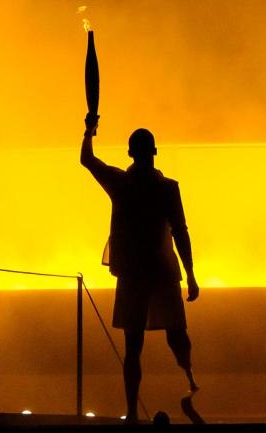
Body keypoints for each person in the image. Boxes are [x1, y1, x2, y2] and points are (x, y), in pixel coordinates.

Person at [81, 118, 199, 423]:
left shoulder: (121, 184)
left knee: (133, 345)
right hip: (162, 271)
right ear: (154, 152)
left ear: (131, 153)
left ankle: (133, 410)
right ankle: (190, 379)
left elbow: (87, 159)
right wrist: (192, 274)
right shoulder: (167, 189)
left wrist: (89, 131)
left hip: (134, 273)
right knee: (175, 333)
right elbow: (181, 232)